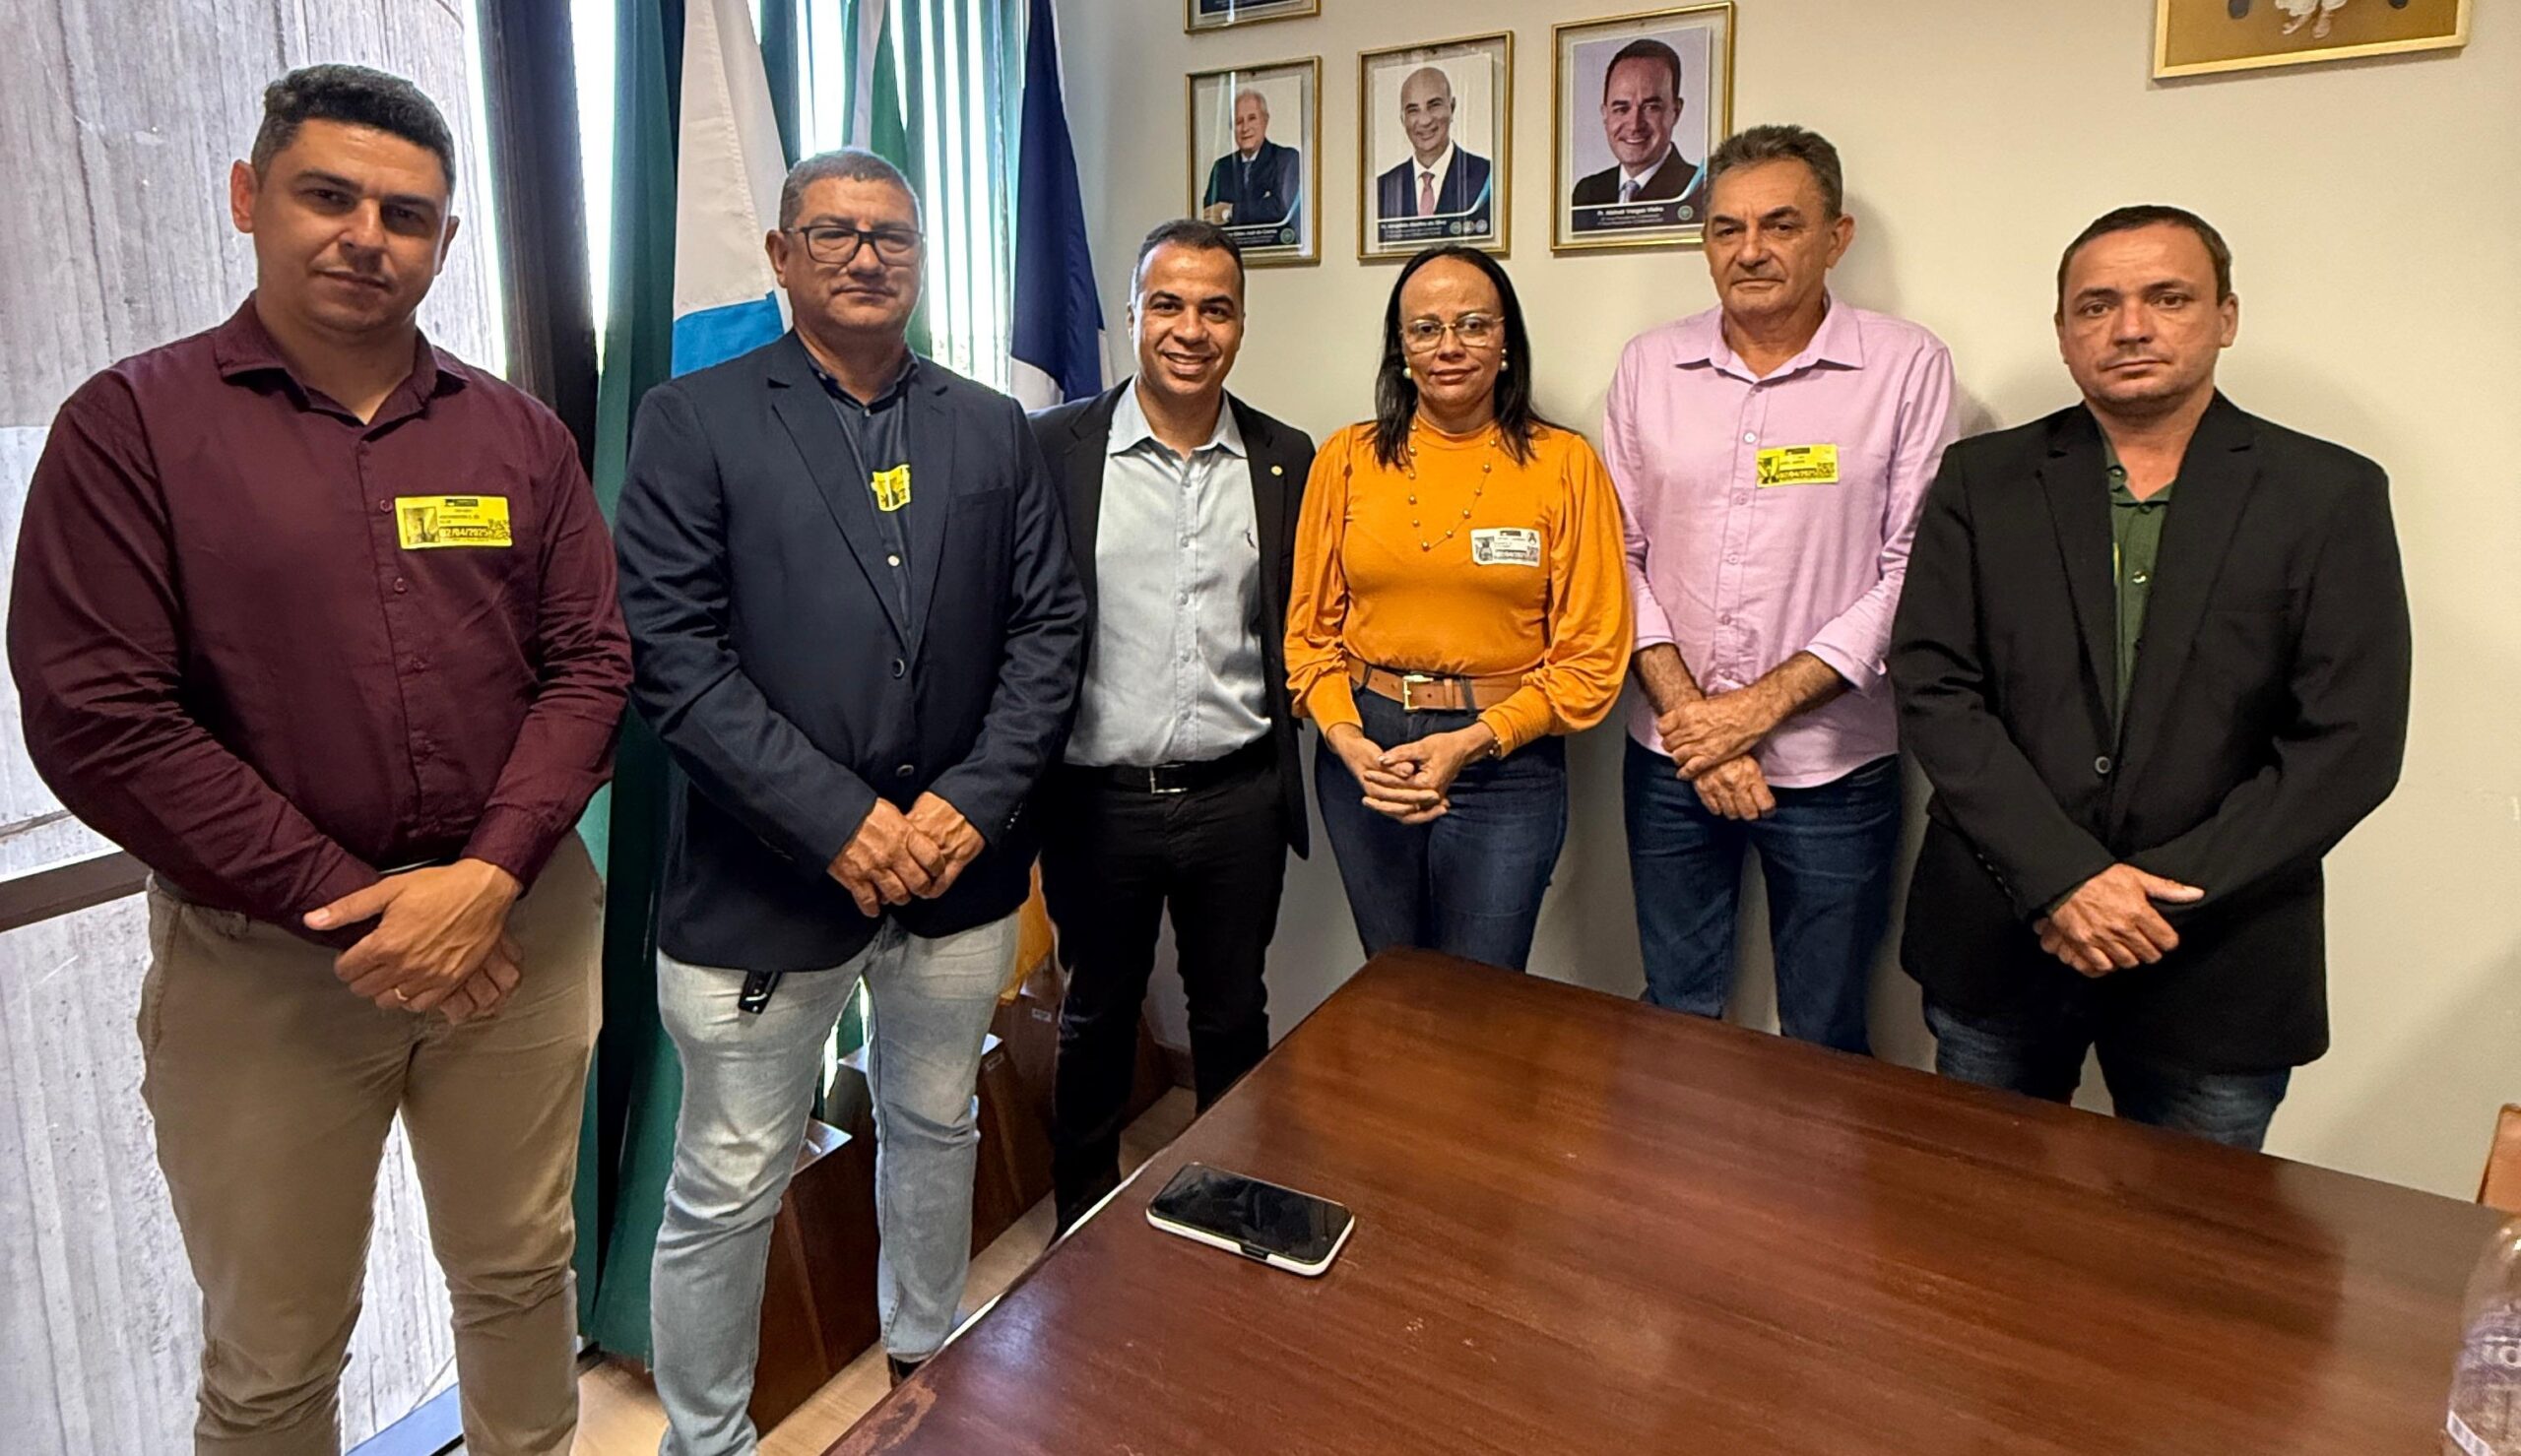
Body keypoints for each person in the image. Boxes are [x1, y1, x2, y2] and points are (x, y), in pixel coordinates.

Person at [7, 64, 629, 1455]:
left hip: (517, 933)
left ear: (445, 240)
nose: (366, 237)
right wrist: (366, 906)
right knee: (274, 1356)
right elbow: (99, 715)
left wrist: (483, 879)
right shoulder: (133, 427)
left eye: (405, 214)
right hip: (266, 968)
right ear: (249, 197)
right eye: (328, 196)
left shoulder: (517, 436)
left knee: (520, 1275)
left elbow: (591, 663)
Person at [614, 148, 1085, 1449]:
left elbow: (1048, 630)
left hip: (957, 877)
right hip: (765, 890)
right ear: (780, 255)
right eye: (834, 233)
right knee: (729, 1181)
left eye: (892, 235)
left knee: (935, 1124)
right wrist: (838, 821)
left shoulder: (989, 424)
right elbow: (675, 658)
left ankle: (928, 1376)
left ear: (921, 258)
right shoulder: (693, 420)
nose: (867, 256)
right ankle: (708, 1437)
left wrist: (969, 803)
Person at [1889, 205, 2410, 1150]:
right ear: (2063, 332)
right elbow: (1935, 688)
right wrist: (2063, 880)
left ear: (2225, 316)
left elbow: (2350, 742)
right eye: (2097, 306)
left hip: (2218, 954)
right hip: (2002, 931)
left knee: (2198, 1233)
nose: (2130, 327)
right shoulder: (1980, 480)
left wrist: (2147, 898)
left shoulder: (2328, 493)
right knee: (1977, 1208)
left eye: (2168, 298)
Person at [1606, 124, 1954, 1055]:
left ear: (1836, 238)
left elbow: (1912, 570)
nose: (1750, 250)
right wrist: (1696, 722)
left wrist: (1751, 713)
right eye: (1727, 228)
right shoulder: (1649, 366)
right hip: (1672, 756)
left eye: (1780, 225)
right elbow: (1617, 556)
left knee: (1824, 1031)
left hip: (1834, 766)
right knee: (1675, 1010)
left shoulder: (1906, 366)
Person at [1028, 221, 1315, 1233]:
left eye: (1215, 308)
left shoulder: (1284, 458)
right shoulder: (1054, 448)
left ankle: (1227, 1209)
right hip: (1097, 799)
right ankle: (1082, 1223)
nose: (1191, 330)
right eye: (1168, 305)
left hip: (1238, 796)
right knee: (1097, 1015)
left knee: (1232, 1014)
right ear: (1132, 315)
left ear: (1240, 323)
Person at [1286, 245, 1631, 972]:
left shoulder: (1565, 466)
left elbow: (1594, 659)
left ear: (1506, 342)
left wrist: (1473, 740)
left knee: (1480, 990)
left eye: (1473, 324)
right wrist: (1346, 741)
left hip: (1506, 761)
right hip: (1367, 752)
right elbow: (1309, 635)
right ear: (1400, 349)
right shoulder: (1345, 459)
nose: (1449, 347)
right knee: (1393, 976)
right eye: (1425, 328)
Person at [1569, 38, 1708, 225]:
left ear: (1675, 111)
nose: (1634, 125)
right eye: (1621, 109)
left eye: (1651, 107)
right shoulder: (1587, 192)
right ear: (1605, 114)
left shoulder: (1699, 189)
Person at [1373, 66, 1494, 223]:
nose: (1425, 120)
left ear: (1452, 108)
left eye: (1434, 105)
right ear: (1402, 119)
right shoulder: (1382, 189)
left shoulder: (1487, 178)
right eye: (1413, 110)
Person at [1200, 89, 1302, 230]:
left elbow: (1280, 207)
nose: (1245, 128)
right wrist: (1261, 206)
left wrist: (1230, 211)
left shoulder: (1286, 159)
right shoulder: (1221, 167)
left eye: (1252, 118)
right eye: (1238, 121)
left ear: (1265, 120)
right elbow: (1208, 215)